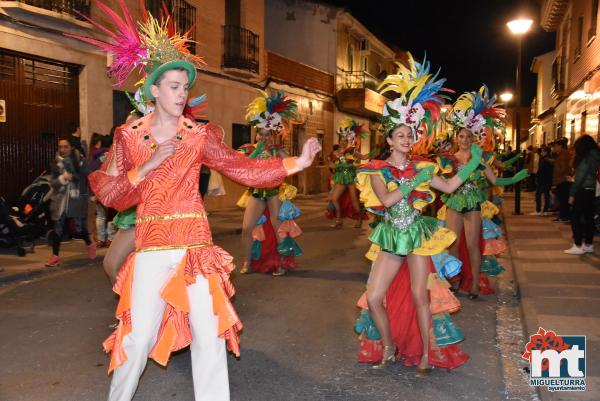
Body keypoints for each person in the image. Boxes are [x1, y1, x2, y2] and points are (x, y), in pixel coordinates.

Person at [74, 6, 321, 401]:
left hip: (195, 247)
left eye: (184, 87)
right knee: (136, 340)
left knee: (210, 338)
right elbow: (111, 194)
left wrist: (297, 162)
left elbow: (243, 169)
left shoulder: (198, 136)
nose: (181, 93)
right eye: (172, 86)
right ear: (154, 90)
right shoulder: (129, 137)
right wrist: (149, 165)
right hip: (152, 248)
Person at [355, 54, 471, 376]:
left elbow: (448, 187)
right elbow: (389, 200)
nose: (407, 140)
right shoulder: (376, 170)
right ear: (389, 139)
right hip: (392, 235)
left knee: (422, 297)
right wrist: (411, 185)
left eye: (410, 135)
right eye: (401, 136)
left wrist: (473, 164)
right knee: (375, 297)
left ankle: (423, 355)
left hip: (418, 236)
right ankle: (389, 346)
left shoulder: (423, 166)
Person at [441, 86, 528, 299]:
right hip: (453, 202)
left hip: (472, 203)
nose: (465, 140)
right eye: (461, 136)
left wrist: (514, 178)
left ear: (473, 139)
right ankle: (455, 280)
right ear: (456, 138)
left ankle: (474, 285)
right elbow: (443, 182)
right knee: (452, 243)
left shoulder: (480, 159)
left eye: (468, 137)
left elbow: (495, 180)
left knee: (472, 244)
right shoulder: (448, 159)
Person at [237, 90, 302, 276]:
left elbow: (292, 166)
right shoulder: (251, 149)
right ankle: (246, 262)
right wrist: (255, 150)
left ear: (273, 135)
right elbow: (243, 165)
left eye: (267, 134)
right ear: (256, 134)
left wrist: (279, 151)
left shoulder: (278, 150)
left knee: (277, 227)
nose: (264, 138)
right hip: (256, 192)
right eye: (261, 134)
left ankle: (281, 262)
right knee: (246, 228)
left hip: (274, 192)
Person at [45, 137, 96, 267]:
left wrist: (92, 194)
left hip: (76, 199)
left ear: (71, 147)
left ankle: (89, 244)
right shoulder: (56, 163)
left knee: (79, 229)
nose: (62, 149)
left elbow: (89, 176)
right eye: (60, 147)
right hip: (61, 200)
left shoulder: (80, 161)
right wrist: (62, 178)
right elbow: (53, 182)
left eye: (65, 146)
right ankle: (55, 255)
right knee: (58, 227)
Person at [326, 118, 371, 228]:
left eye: (345, 140)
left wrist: (375, 152)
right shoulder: (335, 152)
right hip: (340, 178)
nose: (343, 141)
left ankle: (359, 219)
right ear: (339, 140)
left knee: (354, 200)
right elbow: (330, 164)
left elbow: (364, 157)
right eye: (341, 139)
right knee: (334, 198)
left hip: (350, 177)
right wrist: (332, 164)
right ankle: (339, 219)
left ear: (348, 141)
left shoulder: (352, 151)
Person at [564, 135, 600, 254]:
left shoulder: (586, 158)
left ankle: (578, 245)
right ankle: (588, 244)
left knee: (575, 217)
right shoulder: (595, 156)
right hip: (591, 190)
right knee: (589, 218)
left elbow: (580, 178)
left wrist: (572, 194)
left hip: (582, 190)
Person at [89, 132, 115, 248]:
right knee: (111, 215)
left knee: (100, 215)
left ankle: (101, 239)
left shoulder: (94, 156)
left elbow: (91, 172)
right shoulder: (111, 155)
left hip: (97, 189)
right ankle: (110, 238)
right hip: (110, 188)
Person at [552, 138, 572, 222]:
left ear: (560, 146)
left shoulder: (563, 155)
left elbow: (562, 168)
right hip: (563, 179)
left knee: (563, 199)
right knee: (563, 199)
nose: (554, 148)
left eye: (555, 146)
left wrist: (556, 177)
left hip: (562, 180)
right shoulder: (563, 154)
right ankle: (564, 216)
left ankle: (563, 216)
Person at [531, 146, 553, 216]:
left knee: (538, 195)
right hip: (548, 180)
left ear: (546, 152)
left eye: (542, 151)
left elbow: (541, 171)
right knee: (546, 195)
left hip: (542, 180)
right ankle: (545, 210)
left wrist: (537, 178)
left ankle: (538, 210)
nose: (541, 152)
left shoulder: (543, 160)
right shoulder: (550, 159)